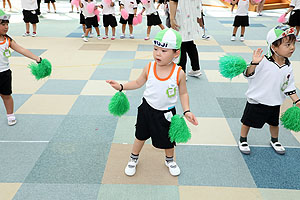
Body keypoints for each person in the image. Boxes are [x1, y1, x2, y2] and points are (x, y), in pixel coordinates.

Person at [106, 29, 198, 176]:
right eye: (155, 49)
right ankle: (133, 158)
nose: (157, 53)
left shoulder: (179, 73)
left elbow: (183, 93)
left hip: (167, 113)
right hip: (146, 109)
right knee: (140, 135)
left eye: (163, 50)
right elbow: (137, 82)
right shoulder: (149, 67)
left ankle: (170, 160)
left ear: (176, 53)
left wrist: (187, 110)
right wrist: (121, 86)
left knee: (169, 140)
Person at [238, 25, 300, 155]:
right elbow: (249, 74)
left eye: (293, 43)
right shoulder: (263, 61)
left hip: (275, 101)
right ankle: (243, 139)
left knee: (274, 123)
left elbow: (289, 86)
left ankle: (274, 140)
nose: (292, 47)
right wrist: (254, 63)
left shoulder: (288, 66)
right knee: (247, 121)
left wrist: (297, 100)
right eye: (287, 45)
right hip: (257, 100)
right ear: (273, 47)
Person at [0, 10, 42, 126]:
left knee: (6, 95)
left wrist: (37, 58)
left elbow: (22, 50)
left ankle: (10, 115)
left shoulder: (7, 40)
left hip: (4, 73)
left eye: (7, 24)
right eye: (3, 24)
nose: (6, 27)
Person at [170, 0, 203, 79]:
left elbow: (173, 2)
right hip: (191, 18)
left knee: (181, 45)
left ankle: (182, 72)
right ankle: (196, 69)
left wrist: (172, 18)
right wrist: (199, 18)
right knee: (190, 44)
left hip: (181, 18)